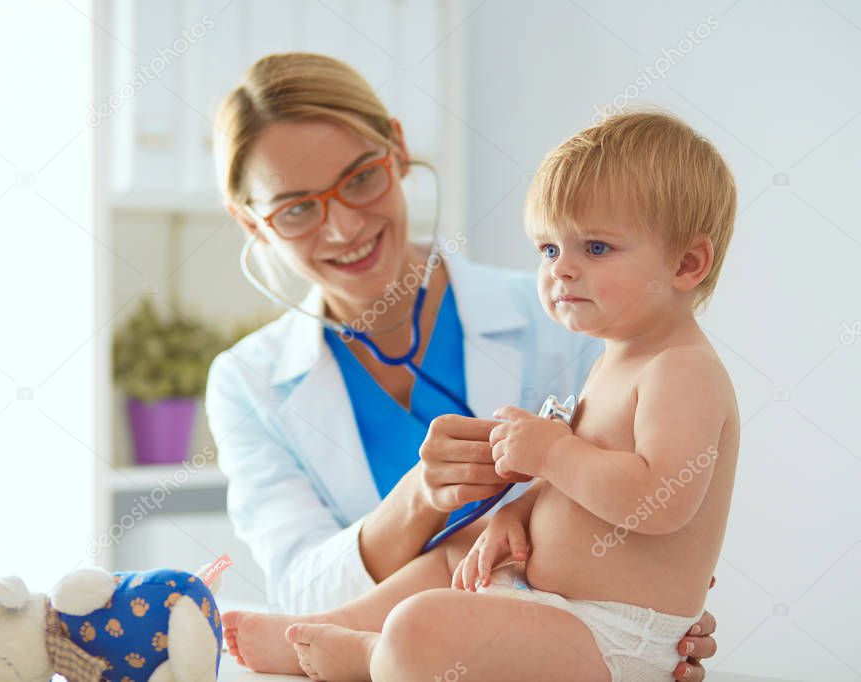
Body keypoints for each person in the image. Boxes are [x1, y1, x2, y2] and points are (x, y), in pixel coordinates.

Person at [205, 53, 717, 680]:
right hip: (474, 604)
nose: (342, 228)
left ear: (396, 149)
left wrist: (661, 604)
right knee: (446, 565)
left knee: (429, 616)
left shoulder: (584, 324)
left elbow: (652, 494)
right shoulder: (246, 383)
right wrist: (420, 500)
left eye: (361, 178)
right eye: (296, 209)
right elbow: (303, 596)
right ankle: (364, 642)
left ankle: (375, 652)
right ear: (250, 222)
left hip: (554, 624)